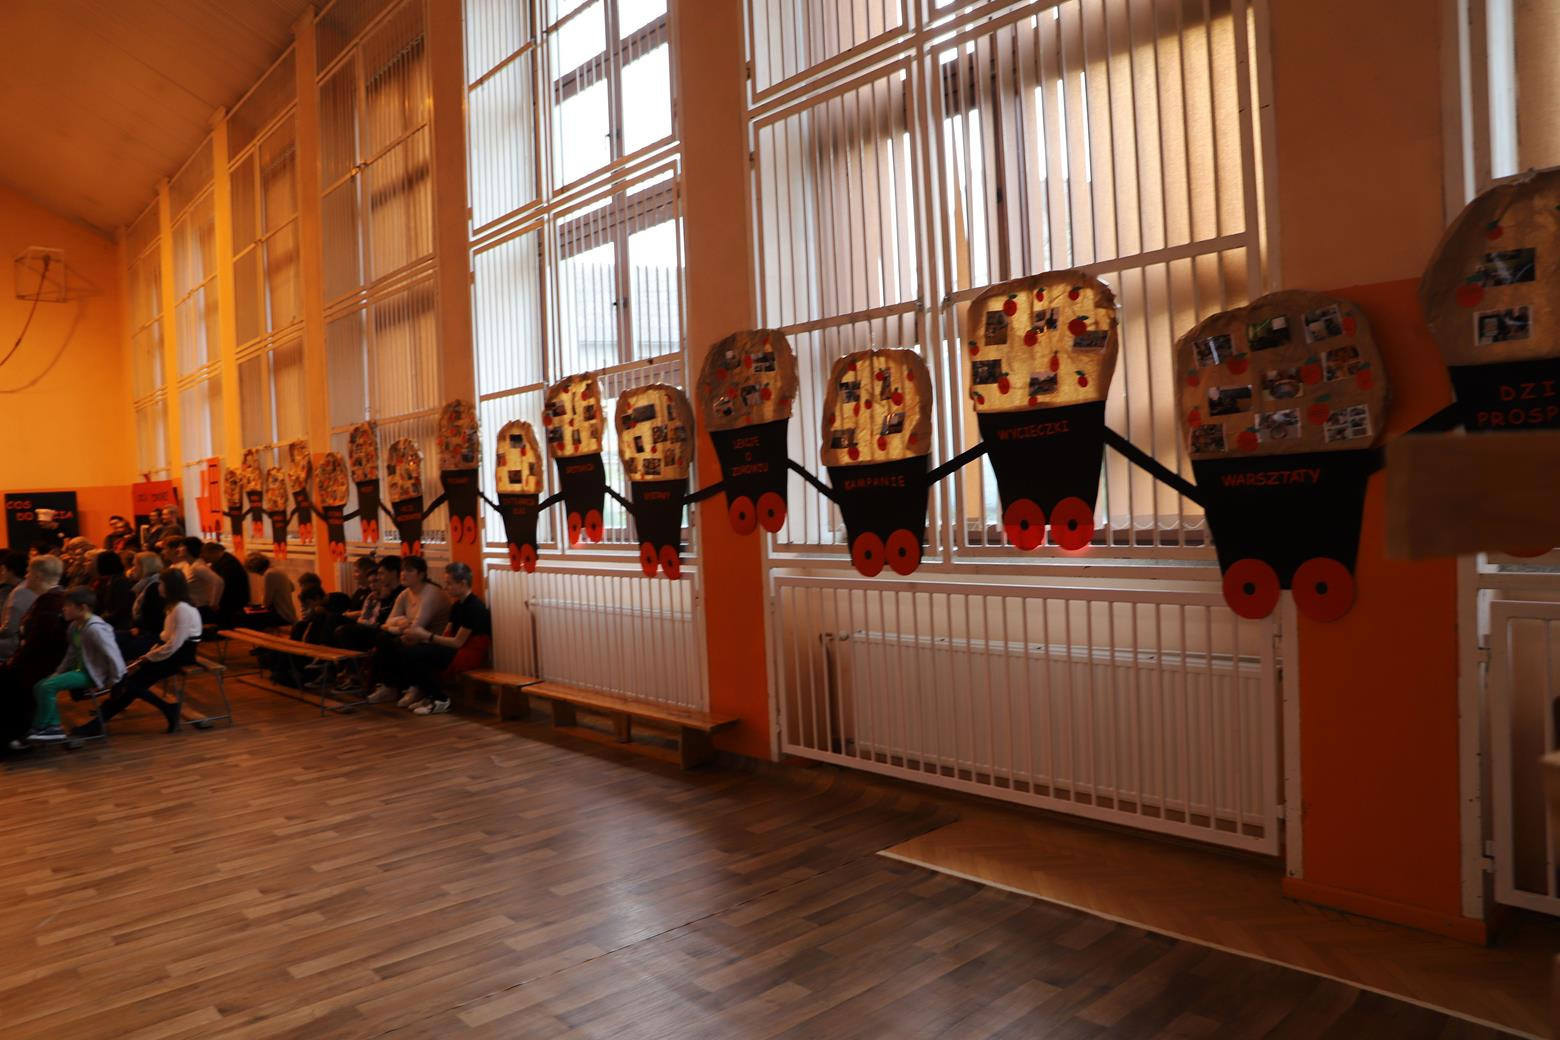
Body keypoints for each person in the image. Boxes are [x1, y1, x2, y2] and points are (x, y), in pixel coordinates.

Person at [76, 569, 200, 737]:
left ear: (170, 587)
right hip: (170, 652)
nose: (158, 587)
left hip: (179, 655)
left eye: (161, 584)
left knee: (131, 685)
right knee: (131, 685)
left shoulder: (182, 609)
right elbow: (166, 639)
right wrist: (151, 653)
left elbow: (175, 644)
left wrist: (150, 656)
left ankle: (167, 709)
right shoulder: (175, 607)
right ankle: (98, 723)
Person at [25, 586, 127, 744]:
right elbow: (71, 654)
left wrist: (113, 680)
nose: (63, 609)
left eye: (68, 605)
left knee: (47, 687)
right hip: (80, 671)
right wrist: (58, 672)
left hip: (92, 675)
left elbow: (114, 656)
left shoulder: (96, 629)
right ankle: (53, 726)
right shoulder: (74, 626)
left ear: (83, 608)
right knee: (39, 686)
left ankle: (43, 727)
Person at [401, 562, 492, 715]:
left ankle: (441, 699)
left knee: (417, 654)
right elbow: (446, 635)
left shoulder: (474, 607)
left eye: (449, 583)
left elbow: (458, 642)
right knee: (411, 650)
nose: (446, 587)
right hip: (455, 649)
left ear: (463, 583)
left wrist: (426, 636)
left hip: (468, 653)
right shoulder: (456, 606)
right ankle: (431, 694)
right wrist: (419, 639)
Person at [0, 556, 67, 749]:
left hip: (40, 665)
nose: (26, 575)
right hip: (40, 661)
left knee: (6, 680)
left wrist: (12, 663)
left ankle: (14, 735)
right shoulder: (55, 598)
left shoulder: (49, 604)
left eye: (29, 571)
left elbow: (36, 645)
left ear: (38, 575)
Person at [366, 556, 451, 707]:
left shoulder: (431, 593)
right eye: (403, 570)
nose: (403, 574)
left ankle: (416, 687)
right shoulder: (405, 593)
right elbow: (387, 623)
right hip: (413, 637)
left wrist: (401, 625)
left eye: (409, 570)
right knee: (382, 638)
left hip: (433, 640)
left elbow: (417, 627)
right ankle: (390, 687)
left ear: (421, 574)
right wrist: (400, 624)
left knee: (398, 645)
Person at [121, 551, 167, 659]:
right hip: (142, 630)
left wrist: (138, 629)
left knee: (114, 647)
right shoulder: (144, 584)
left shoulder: (155, 587)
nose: (132, 569)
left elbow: (155, 619)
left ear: (144, 567)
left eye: (135, 565)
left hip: (153, 636)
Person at [172, 536, 224, 622]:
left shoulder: (197, 566)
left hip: (201, 609)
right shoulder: (188, 565)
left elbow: (218, 582)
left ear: (188, 548)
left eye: (181, 546)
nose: (178, 549)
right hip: (193, 608)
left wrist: (213, 603)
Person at [242, 553, 297, 628]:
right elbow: (292, 587)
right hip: (290, 614)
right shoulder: (277, 570)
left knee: (245, 618)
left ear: (255, 568)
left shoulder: (269, 574)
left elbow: (266, 603)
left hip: (281, 615)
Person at [90, 550, 135, 632]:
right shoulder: (111, 579)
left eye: (97, 564)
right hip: (109, 623)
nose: (95, 567)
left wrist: (99, 619)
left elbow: (121, 610)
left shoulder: (121, 582)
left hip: (118, 627)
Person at [0, 550, 32, 659]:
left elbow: (9, 629)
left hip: (15, 643)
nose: (2, 573)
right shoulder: (22, 587)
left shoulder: (20, 592)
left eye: (3, 570)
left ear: (11, 571)